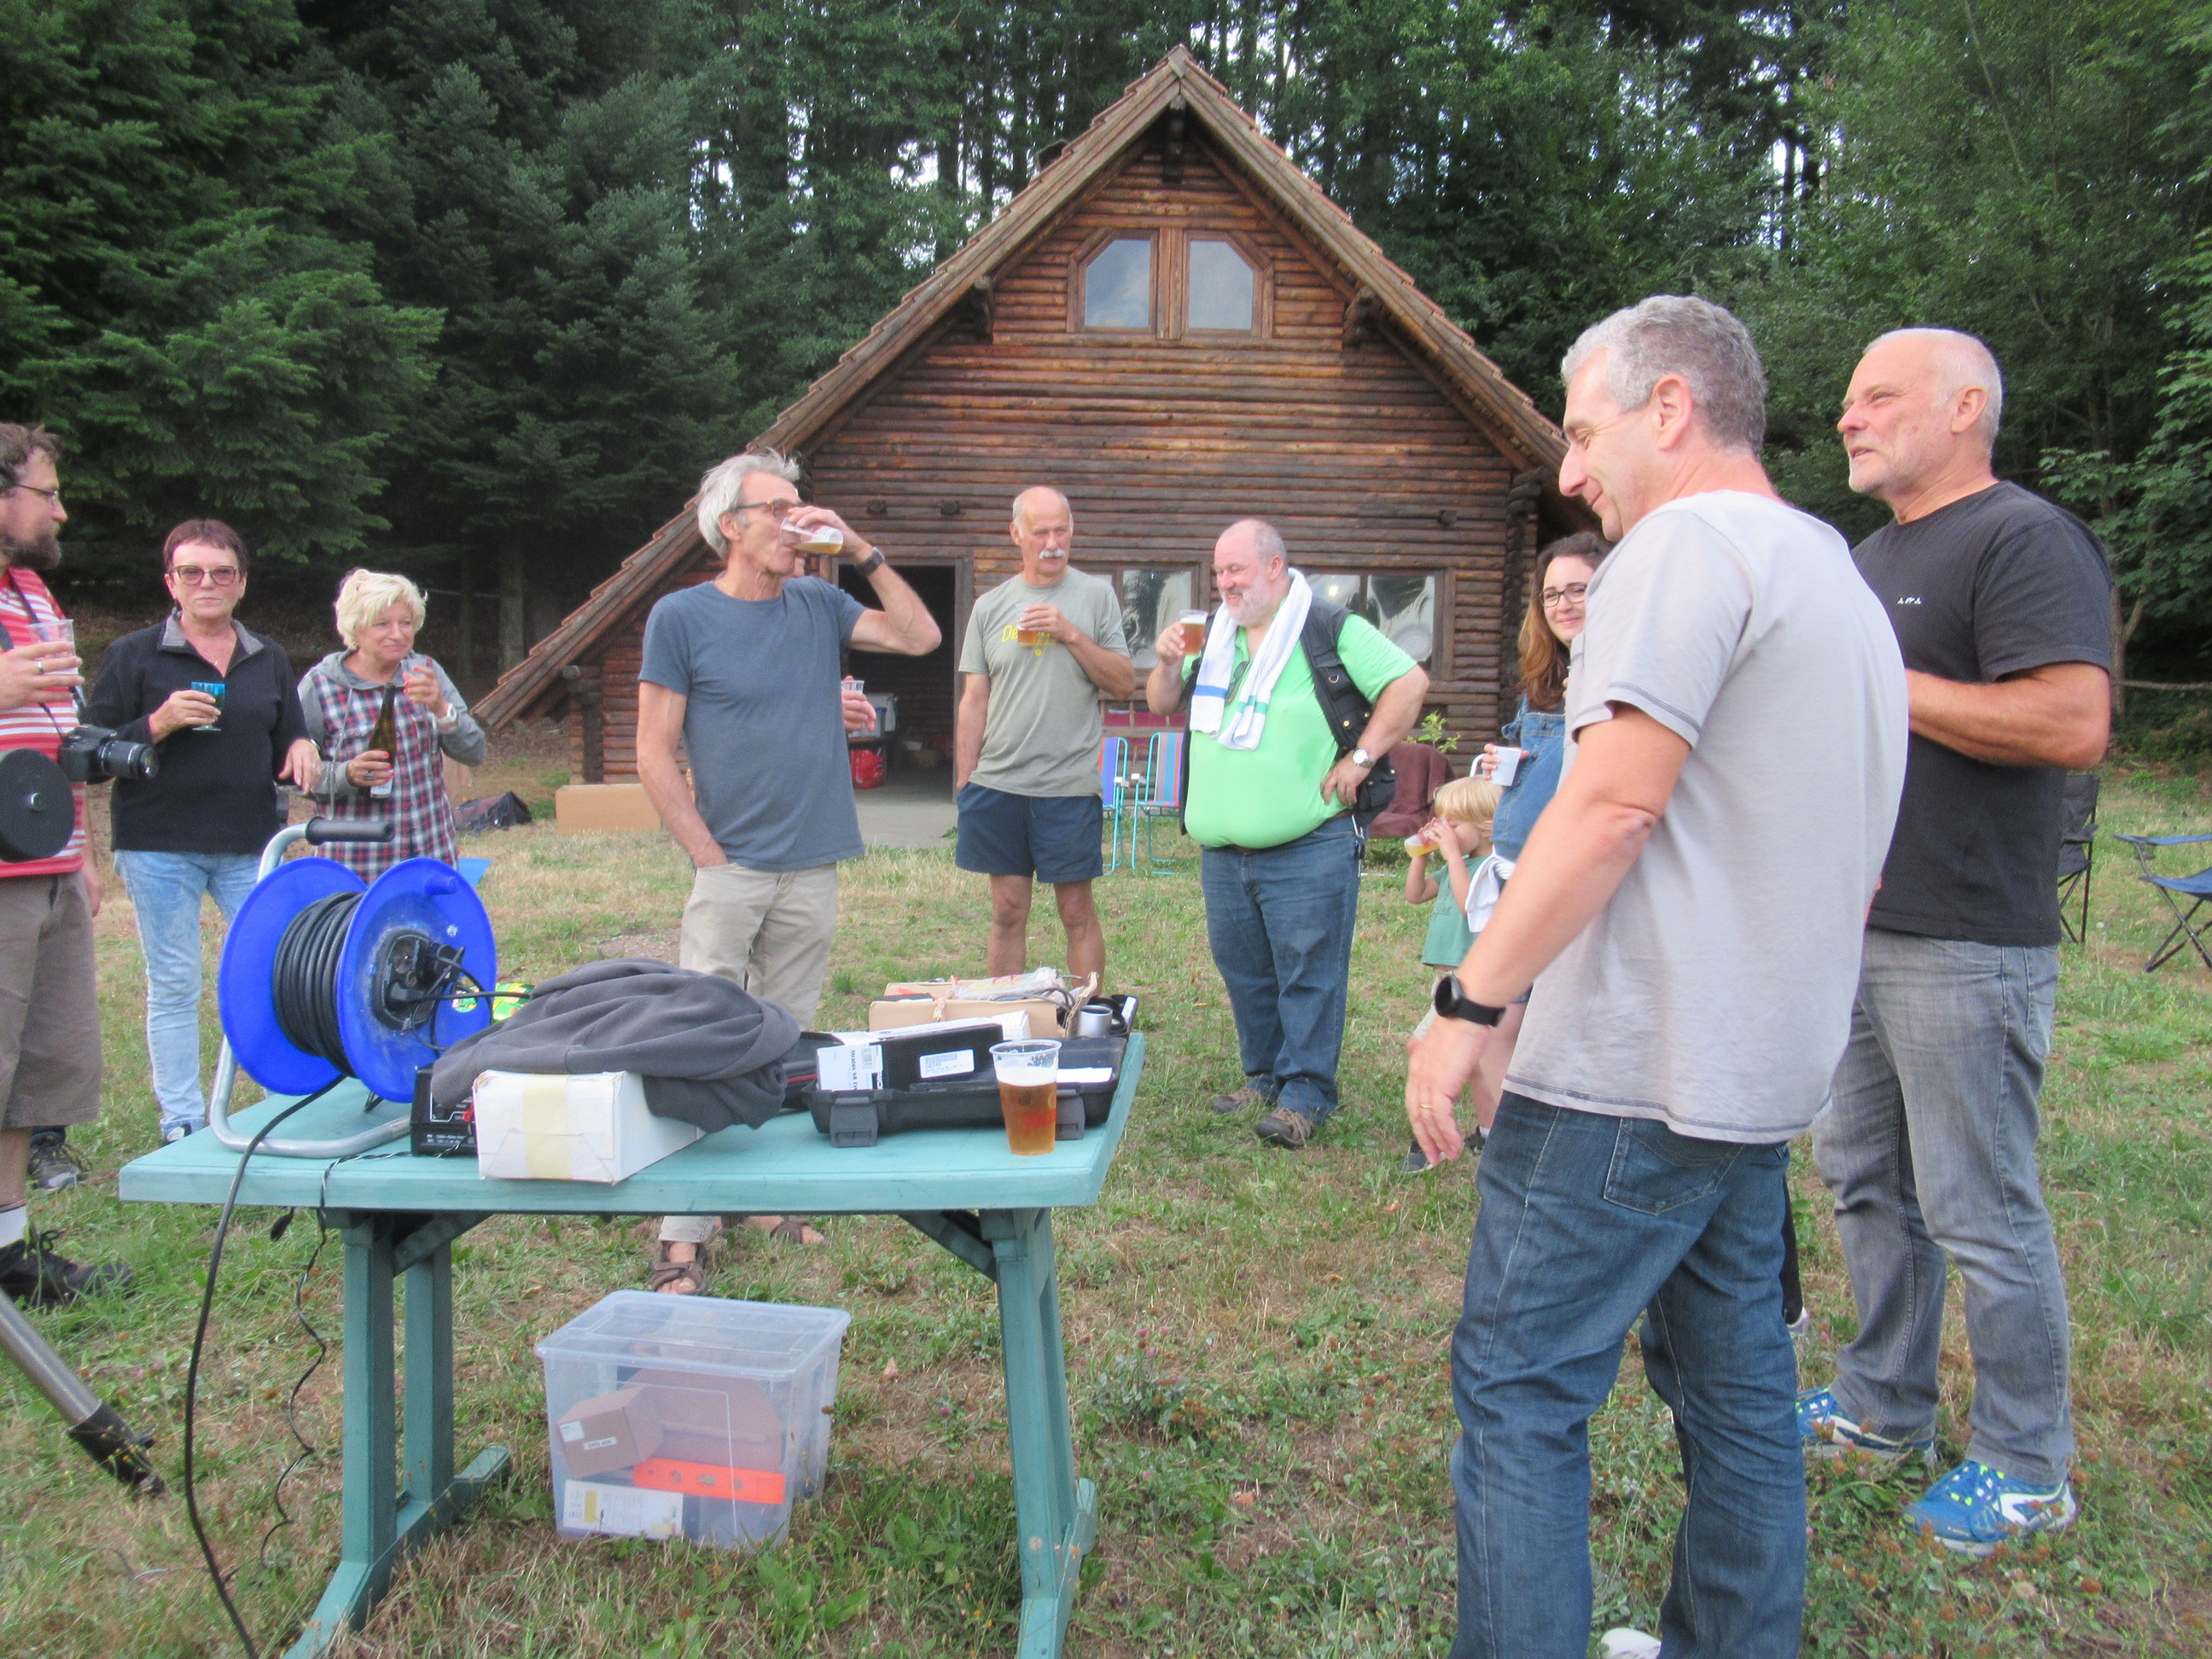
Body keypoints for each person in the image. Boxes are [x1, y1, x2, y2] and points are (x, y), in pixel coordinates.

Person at [1405, 296, 1907, 1659]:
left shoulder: (1682, 550)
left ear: (1671, 408)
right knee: (1735, 1396)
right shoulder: (1832, 573)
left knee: (1518, 1389)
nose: (1572, 473)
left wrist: (1469, 1001)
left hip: (1628, 1077)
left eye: (1585, 432)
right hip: (1756, 1072)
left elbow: (1614, 808)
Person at [1801, 328, 2110, 1555]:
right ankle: (1884, 1405)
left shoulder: (2023, 538)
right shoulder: (1868, 556)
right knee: (1864, 1177)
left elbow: (2073, 720)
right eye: (1848, 400)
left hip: (1969, 934)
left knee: (1980, 1205)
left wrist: (1881, 679)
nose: (1850, 418)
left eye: (1878, 397)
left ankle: (2029, 1465)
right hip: (1862, 925)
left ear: (1966, 406)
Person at [637, 450, 939, 1287]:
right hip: (730, 868)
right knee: (702, 1044)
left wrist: (861, 549)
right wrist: (708, 855)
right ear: (730, 525)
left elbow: (919, 636)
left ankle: (756, 1195)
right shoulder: (681, 617)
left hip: (813, 863)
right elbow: (653, 752)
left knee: (781, 1041)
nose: (797, 523)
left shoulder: (817, 603)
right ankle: (681, 1229)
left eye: (801, 507)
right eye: (778, 509)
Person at [1145, 519, 1429, 1150]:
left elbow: (1409, 683)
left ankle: (1306, 1094)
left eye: (1236, 570)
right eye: (1218, 572)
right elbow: (1162, 702)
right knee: (1246, 973)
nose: (1224, 583)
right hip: (1224, 852)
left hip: (1309, 844)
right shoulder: (1211, 635)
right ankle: (1266, 1077)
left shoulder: (1326, 627)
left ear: (1274, 567)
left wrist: (1362, 758)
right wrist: (1165, 661)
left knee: (1308, 972)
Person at [83, 521, 321, 1142]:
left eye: (221, 572)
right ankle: (183, 1117)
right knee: (175, 981)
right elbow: (86, 753)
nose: (207, 583)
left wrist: (302, 747)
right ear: (171, 583)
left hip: (249, 841)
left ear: (242, 583)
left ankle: (279, 1102)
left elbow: (290, 735)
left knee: (270, 973)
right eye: (191, 572)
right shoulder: (135, 654)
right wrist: (156, 725)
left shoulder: (267, 657)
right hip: (158, 843)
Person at [0, 422, 129, 1306]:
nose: (61, 511)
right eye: (47, 493)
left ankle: (9, 1250)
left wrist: (77, 849)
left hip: (45, 862)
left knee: (33, 1074)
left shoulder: (33, 592)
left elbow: (57, 729)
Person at [954, 486, 1133, 985]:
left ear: (1072, 530)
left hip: (1067, 785)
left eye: (1061, 531)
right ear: (1016, 535)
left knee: (1076, 910)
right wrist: (966, 779)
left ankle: (1087, 1017)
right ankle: (1007, 1015)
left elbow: (1122, 683)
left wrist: (1070, 633)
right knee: (1007, 910)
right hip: (999, 784)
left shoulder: (1096, 596)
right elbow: (974, 699)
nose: (1053, 543)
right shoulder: (990, 607)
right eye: (1040, 533)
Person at [299, 569, 486, 877]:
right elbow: (295, 778)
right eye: (382, 624)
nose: (397, 634)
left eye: (405, 623)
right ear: (355, 627)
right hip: (356, 865)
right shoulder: (321, 686)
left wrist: (441, 709)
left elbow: (474, 752)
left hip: (431, 857)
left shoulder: (426, 672)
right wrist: (347, 774)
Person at [1400, 775, 1503, 1170]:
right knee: (1474, 1061)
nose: (1443, 830)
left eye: (1453, 824)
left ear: (1487, 827)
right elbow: (1415, 895)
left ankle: (1431, 1137)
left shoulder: (1488, 869)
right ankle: (1490, 1131)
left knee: (1422, 1048)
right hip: (1444, 978)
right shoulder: (1453, 866)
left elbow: (1467, 905)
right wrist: (1421, 855)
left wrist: (1454, 858)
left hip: (1467, 978)